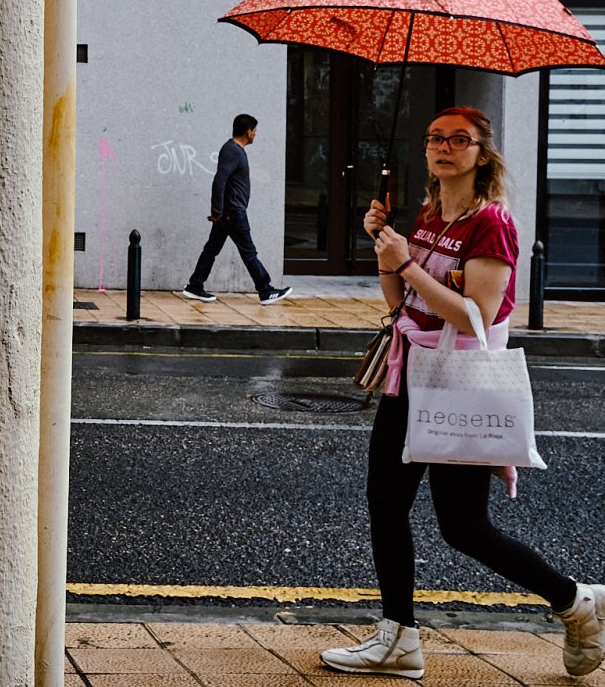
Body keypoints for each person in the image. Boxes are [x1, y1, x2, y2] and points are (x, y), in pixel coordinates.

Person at [319, 106, 604, 679]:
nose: (443, 146)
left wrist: (409, 265)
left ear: (482, 153)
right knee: (386, 504)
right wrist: (386, 249)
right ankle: (398, 637)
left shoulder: (490, 222)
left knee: (463, 527)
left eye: (459, 139)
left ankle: (578, 603)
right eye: (434, 138)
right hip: (412, 376)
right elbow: (403, 304)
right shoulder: (429, 214)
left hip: (458, 385)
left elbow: (474, 315)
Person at [177, 113, 292, 305]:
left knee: (211, 249)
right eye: (255, 130)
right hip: (233, 212)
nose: (256, 134)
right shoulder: (232, 151)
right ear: (248, 132)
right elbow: (219, 181)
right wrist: (216, 211)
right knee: (248, 251)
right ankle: (265, 290)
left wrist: (218, 211)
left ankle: (195, 286)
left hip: (228, 212)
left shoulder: (235, 150)